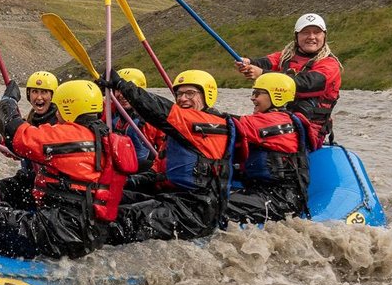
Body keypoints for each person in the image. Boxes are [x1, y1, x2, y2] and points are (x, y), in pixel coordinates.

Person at [0, 79, 138, 259]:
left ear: (69, 107)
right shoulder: (103, 134)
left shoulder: (70, 135)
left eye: (58, 108)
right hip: (88, 230)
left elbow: (16, 134)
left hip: (62, 232)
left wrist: (8, 102)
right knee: (13, 193)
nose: (56, 113)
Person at [101, 69, 233, 243]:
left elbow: (160, 110)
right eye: (179, 94)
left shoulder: (208, 126)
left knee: (117, 221)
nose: (183, 98)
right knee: (107, 199)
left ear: (207, 95)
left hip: (194, 210)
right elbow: (158, 172)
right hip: (172, 199)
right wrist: (128, 182)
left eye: (190, 93)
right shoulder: (182, 130)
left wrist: (122, 86)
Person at [223, 72, 321, 225]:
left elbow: (229, 124)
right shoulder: (276, 120)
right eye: (253, 93)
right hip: (263, 193)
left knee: (213, 206)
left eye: (258, 93)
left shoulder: (277, 121)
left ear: (276, 96)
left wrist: (194, 117)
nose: (253, 98)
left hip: (280, 200)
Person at [235, 12, 341, 144]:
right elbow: (264, 62)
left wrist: (262, 74)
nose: (311, 37)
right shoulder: (285, 57)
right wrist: (248, 62)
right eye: (305, 32)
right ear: (297, 36)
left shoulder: (329, 64)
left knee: (249, 130)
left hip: (308, 129)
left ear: (324, 36)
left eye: (316, 32)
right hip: (277, 119)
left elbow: (306, 84)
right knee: (237, 128)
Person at [0, 70, 60, 209]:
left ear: (53, 95)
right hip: (28, 178)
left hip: (48, 185)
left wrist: (8, 102)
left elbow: (28, 145)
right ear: (29, 95)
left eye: (44, 92)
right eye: (34, 92)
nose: (39, 97)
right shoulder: (31, 118)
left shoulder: (58, 122)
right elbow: (20, 150)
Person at [111, 67, 165, 173]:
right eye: (118, 90)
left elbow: (164, 149)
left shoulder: (152, 118)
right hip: (117, 167)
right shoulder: (111, 111)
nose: (121, 95)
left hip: (143, 170)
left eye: (126, 91)